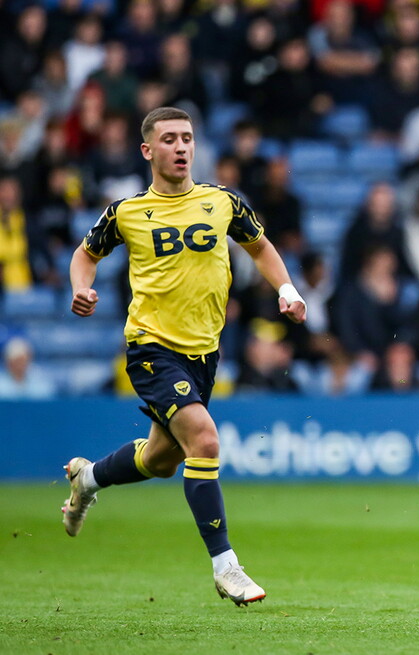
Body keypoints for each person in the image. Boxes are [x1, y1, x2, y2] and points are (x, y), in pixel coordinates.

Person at [61, 106, 306, 606]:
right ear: (148, 150)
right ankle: (226, 566)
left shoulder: (223, 203)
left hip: (203, 353)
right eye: (169, 139)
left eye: (187, 138)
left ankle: (86, 480)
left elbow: (260, 248)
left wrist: (287, 287)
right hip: (152, 347)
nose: (181, 147)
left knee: (161, 459)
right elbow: (85, 254)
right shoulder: (125, 211)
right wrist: (81, 289)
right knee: (205, 442)